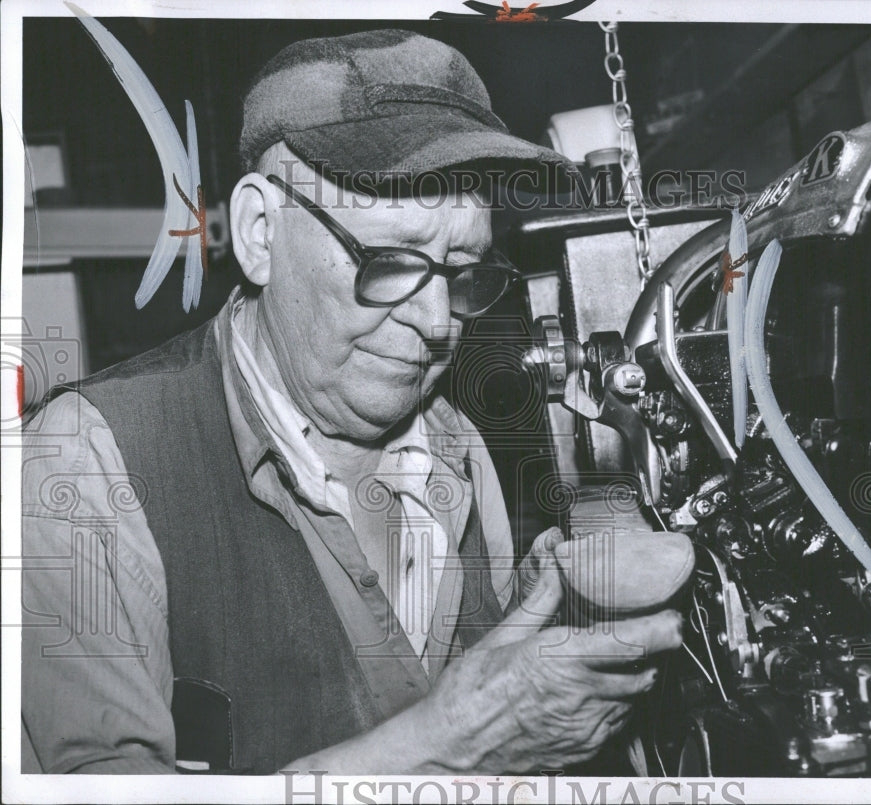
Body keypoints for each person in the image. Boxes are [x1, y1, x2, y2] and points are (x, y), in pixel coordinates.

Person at [21, 29, 685, 775]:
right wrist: (445, 741)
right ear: (259, 232)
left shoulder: (456, 444)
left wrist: (533, 630)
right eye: (388, 261)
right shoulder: (86, 463)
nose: (436, 323)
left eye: (461, 271)